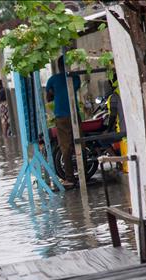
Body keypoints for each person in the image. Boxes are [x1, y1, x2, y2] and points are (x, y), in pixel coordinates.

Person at [46, 56, 81, 187]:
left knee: (65, 147)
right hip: (75, 115)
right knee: (80, 144)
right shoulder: (75, 78)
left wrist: (54, 93)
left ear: (58, 66)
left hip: (61, 117)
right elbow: (75, 89)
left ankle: (70, 178)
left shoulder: (53, 80)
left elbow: (49, 97)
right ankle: (82, 174)